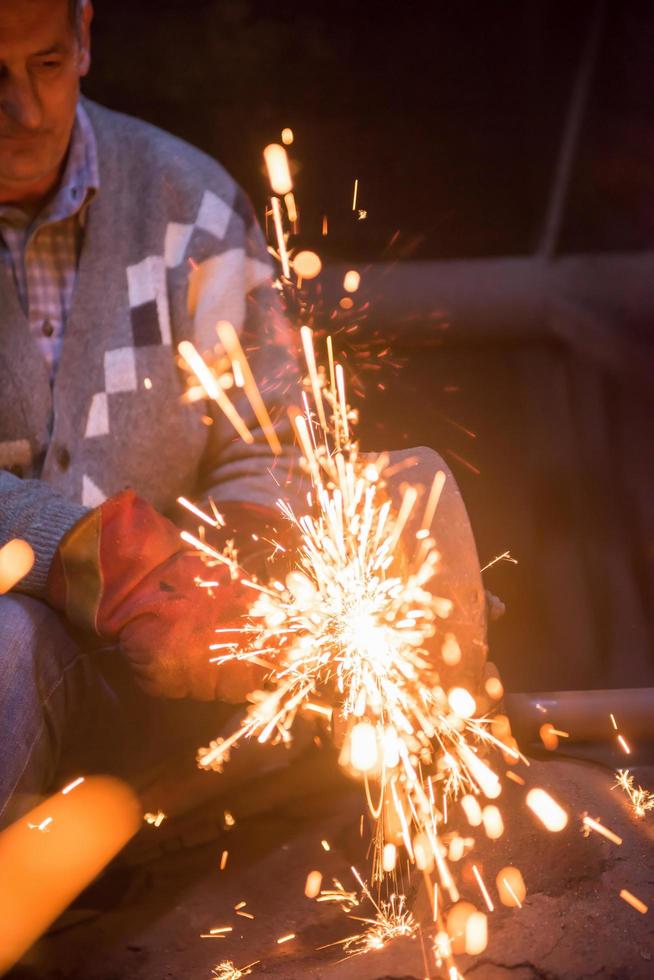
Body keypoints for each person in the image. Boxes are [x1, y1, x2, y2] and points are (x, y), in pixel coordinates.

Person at [0, 0, 490, 831]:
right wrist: (100, 560)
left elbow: (273, 441)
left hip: (174, 674)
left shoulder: (188, 204)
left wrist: (227, 580)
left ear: (84, 35)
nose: (27, 110)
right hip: (25, 664)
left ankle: (439, 844)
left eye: (46, 65)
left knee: (417, 493)